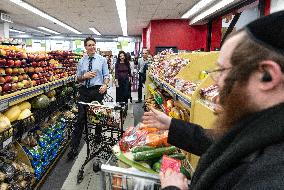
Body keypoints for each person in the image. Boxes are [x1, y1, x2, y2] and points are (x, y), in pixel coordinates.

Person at [143, 11, 284, 190]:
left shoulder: (272, 175)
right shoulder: (264, 131)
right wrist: (172, 124)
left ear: (267, 76)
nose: (215, 81)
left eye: (222, 71)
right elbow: (223, 144)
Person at [68, 37, 109, 160]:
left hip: (97, 91)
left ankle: (97, 137)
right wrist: (84, 76)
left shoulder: (102, 60)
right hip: (84, 91)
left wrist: (105, 85)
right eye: (89, 45)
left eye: (93, 45)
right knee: (80, 118)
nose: (92, 47)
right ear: (85, 47)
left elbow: (106, 75)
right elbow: (77, 78)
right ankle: (74, 147)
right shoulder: (81, 61)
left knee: (98, 116)